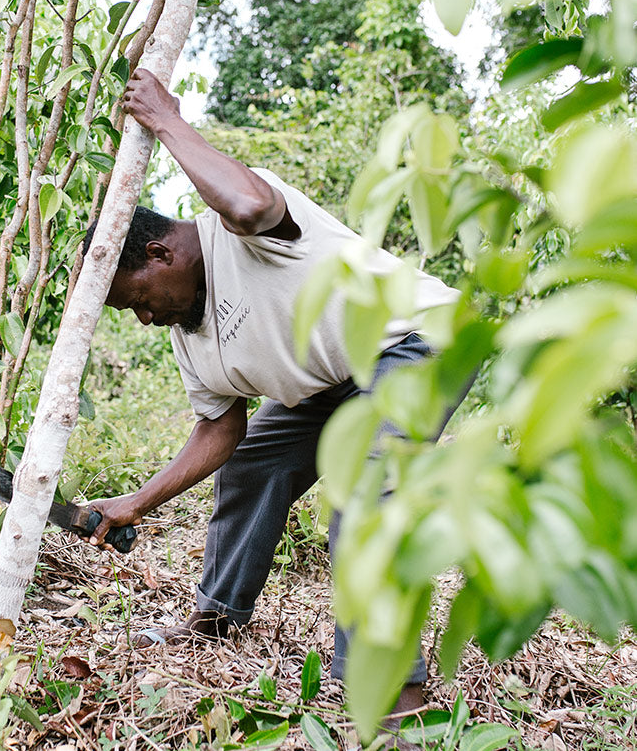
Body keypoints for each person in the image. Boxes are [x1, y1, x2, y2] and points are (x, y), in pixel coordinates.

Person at [84, 68, 461, 725]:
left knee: (365, 505)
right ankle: (215, 620)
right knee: (253, 461)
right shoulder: (188, 331)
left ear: (160, 253)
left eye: (138, 301)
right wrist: (133, 502)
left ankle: (400, 711)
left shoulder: (242, 224)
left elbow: (251, 205)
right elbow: (219, 432)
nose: (143, 319)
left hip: (413, 341)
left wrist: (167, 119)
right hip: (334, 380)